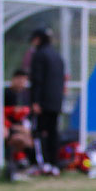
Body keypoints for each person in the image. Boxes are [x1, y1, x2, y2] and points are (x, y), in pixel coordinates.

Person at [29, 28, 65, 176]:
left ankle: (42, 164)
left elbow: (37, 80)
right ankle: (54, 164)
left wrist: (35, 101)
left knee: (40, 133)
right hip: (56, 102)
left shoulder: (39, 55)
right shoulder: (57, 55)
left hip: (43, 103)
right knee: (53, 132)